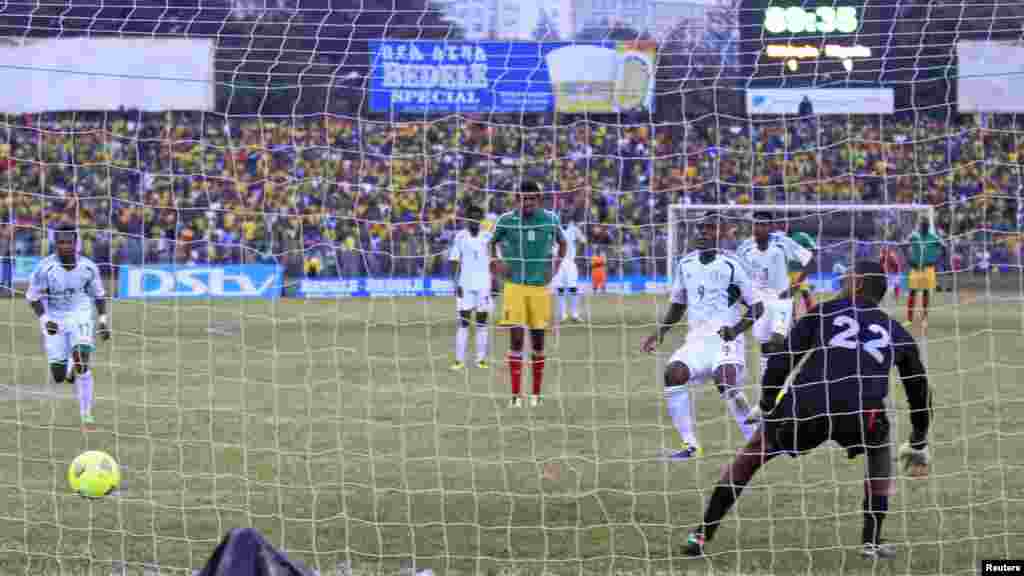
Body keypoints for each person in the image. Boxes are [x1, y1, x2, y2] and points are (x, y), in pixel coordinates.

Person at [684, 261, 932, 559]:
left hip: (807, 403)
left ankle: (701, 534)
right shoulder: (897, 332)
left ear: (859, 284)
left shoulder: (824, 311)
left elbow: (784, 359)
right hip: (862, 412)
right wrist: (918, 439)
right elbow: (919, 391)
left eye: (848, 276)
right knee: (879, 446)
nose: (843, 280)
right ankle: (872, 541)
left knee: (751, 455)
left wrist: (766, 404)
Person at [642, 212, 765, 457]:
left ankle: (758, 442)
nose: (702, 232)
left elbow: (757, 306)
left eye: (709, 228)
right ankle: (691, 445)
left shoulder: (733, 265)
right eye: (700, 228)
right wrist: (661, 332)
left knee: (725, 381)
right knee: (673, 373)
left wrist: (736, 329)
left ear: (721, 233)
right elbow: (678, 304)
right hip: (696, 342)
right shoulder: (685, 264)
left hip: (725, 340)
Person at [491, 181, 567, 407]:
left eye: (533, 198)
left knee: (538, 340)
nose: (529, 202)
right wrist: (494, 261)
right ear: (518, 199)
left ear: (539, 199)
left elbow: (562, 243)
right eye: (525, 198)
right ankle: (515, 396)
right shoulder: (506, 220)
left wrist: (556, 265)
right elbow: (491, 242)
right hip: (514, 287)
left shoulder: (550, 219)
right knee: (515, 338)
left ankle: (536, 394)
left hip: (539, 288)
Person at [26, 224, 110, 427]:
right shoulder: (44, 268)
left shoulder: (89, 267)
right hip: (54, 317)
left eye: (68, 242)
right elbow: (32, 297)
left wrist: (102, 321)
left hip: (80, 314)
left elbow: (98, 295)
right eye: (60, 243)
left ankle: (86, 413)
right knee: (58, 375)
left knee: (82, 359)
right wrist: (46, 320)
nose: (64, 246)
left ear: (76, 244)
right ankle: (70, 366)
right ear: (55, 245)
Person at [737, 211, 814, 392]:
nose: (760, 228)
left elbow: (810, 260)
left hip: (781, 300)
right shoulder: (744, 248)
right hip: (759, 302)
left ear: (771, 227)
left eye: (764, 224)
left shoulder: (782, 242)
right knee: (765, 346)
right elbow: (739, 277)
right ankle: (768, 388)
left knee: (778, 341)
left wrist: (794, 287)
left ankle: (784, 386)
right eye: (756, 224)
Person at [448, 205, 493, 370]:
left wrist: (494, 282)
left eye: (477, 217)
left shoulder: (488, 237)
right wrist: (455, 282)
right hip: (465, 285)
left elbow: (494, 260)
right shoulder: (460, 236)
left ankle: (480, 360)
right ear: (467, 219)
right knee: (464, 322)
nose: (473, 220)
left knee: (482, 322)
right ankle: (459, 360)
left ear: (481, 219)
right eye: (471, 217)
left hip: (484, 285)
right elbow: (453, 260)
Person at [905, 220, 943, 326]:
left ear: (928, 227)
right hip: (916, 268)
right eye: (922, 226)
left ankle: (924, 319)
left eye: (925, 226)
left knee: (926, 292)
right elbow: (903, 245)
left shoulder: (934, 237)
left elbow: (944, 248)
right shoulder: (914, 236)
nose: (923, 228)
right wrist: (909, 260)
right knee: (912, 292)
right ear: (919, 226)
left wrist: (936, 260)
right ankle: (909, 319)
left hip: (928, 268)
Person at [553, 214, 585, 323]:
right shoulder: (555, 228)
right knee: (560, 288)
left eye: (566, 215)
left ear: (569, 218)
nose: (564, 218)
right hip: (558, 261)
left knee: (573, 287)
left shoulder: (574, 228)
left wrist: (577, 255)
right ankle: (562, 315)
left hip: (570, 262)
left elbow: (583, 241)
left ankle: (575, 314)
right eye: (562, 215)